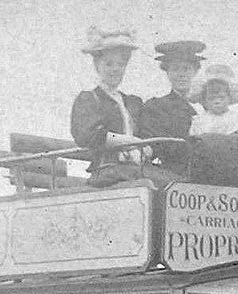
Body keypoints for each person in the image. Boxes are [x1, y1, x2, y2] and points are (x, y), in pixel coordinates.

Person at [71, 26, 170, 186]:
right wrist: (130, 142)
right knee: (151, 183)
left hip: (137, 169)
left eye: (121, 64)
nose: (115, 69)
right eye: (109, 64)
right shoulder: (89, 99)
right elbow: (88, 136)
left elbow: (148, 136)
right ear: (97, 65)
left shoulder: (132, 102)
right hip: (106, 170)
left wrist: (146, 150)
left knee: (175, 182)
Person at [138, 40, 206, 166]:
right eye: (175, 69)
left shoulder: (207, 107)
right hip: (175, 172)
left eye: (186, 69)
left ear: (195, 71)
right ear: (167, 73)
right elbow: (155, 144)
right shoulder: (157, 107)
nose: (181, 74)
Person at [189, 64, 238, 138]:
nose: (217, 101)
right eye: (212, 98)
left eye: (221, 98)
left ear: (229, 98)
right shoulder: (199, 121)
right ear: (205, 100)